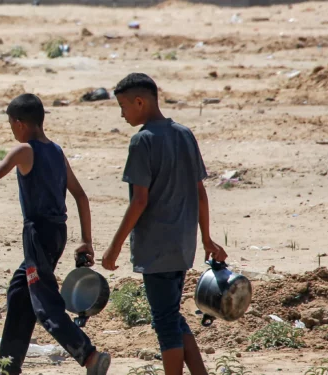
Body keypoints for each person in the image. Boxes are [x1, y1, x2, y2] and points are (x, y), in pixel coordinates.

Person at [0, 94, 111, 375]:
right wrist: (86, 239)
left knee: (43, 303)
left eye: (10, 123)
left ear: (19, 123)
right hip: (56, 234)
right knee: (19, 292)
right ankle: (8, 367)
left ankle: (89, 356)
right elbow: (81, 196)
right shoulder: (56, 151)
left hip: (38, 233)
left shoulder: (25, 150)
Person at [102, 73, 228, 375]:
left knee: (164, 322)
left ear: (140, 102)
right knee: (172, 315)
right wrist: (206, 239)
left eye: (123, 106)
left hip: (155, 248)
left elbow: (139, 201)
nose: (122, 114)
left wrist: (114, 247)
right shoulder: (184, 134)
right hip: (182, 244)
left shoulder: (142, 141)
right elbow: (200, 193)